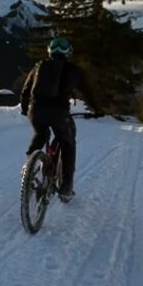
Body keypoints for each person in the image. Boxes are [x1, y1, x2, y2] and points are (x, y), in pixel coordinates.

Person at [20, 37, 102, 203]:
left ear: (50, 50)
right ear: (68, 52)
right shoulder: (74, 70)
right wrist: (98, 110)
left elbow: (26, 90)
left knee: (40, 134)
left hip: (36, 111)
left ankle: (28, 166)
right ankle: (66, 188)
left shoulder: (39, 66)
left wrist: (24, 108)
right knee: (67, 143)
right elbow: (88, 92)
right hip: (59, 113)